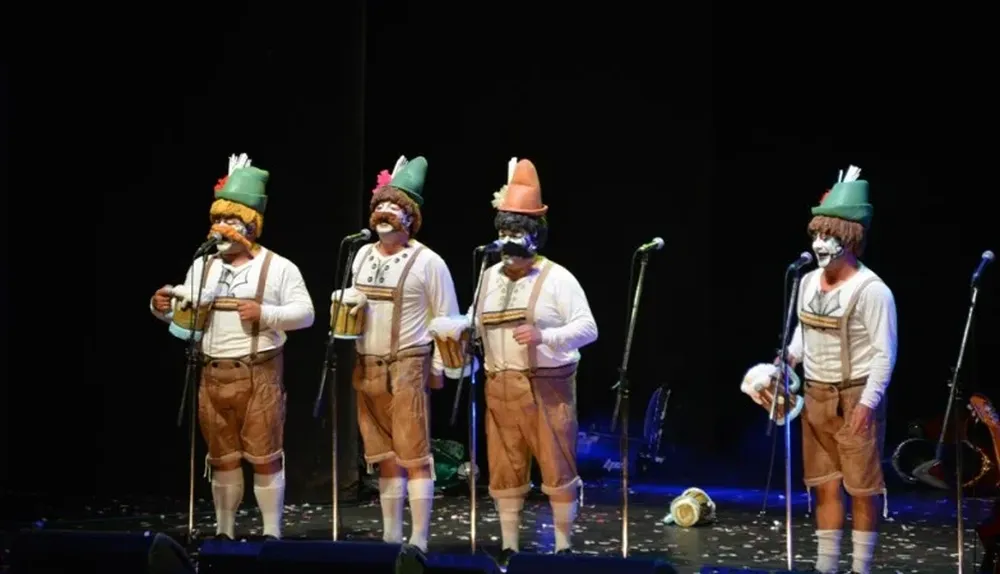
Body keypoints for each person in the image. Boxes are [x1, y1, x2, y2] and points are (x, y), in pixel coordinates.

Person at [150, 153, 315, 540]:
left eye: (230, 221)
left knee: (264, 457)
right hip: (211, 373)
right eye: (216, 221)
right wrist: (161, 309)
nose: (220, 230)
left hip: (258, 372)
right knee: (222, 458)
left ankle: (271, 533)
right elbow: (186, 320)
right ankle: (224, 533)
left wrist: (266, 313)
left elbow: (306, 314)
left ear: (251, 226)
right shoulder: (202, 266)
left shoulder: (279, 267)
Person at [331, 155, 461, 552]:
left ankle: (419, 539)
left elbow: (447, 317)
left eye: (395, 208)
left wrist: (439, 367)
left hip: (408, 364)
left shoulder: (429, 262)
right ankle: (390, 537)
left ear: (411, 217)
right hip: (367, 365)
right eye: (381, 207)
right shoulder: (362, 255)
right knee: (384, 455)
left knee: (414, 455)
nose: (384, 213)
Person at [475, 157, 598, 564]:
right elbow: (477, 324)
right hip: (499, 388)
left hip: (546, 388)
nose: (509, 241)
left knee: (556, 467)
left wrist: (546, 336)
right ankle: (509, 545)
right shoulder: (488, 276)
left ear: (534, 236)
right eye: (504, 231)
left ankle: (562, 545)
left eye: (517, 232)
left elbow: (588, 329)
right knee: (504, 469)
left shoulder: (558, 278)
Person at [785, 165, 897, 574]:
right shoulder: (808, 282)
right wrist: (789, 359)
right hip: (815, 394)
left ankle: (861, 568)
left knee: (862, 488)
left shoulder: (873, 291)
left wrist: (867, 405)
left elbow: (885, 353)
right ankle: (826, 565)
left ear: (851, 240)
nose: (820, 244)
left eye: (829, 236)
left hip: (854, 396)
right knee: (824, 484)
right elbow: (804, 331)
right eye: (816, 235)